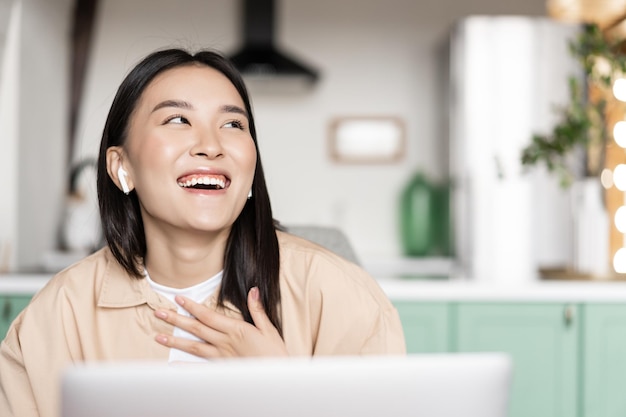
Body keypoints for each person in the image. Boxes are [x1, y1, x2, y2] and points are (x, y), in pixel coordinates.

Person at [0, 48, 406, 417]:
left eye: (233, 123)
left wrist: (284, 391)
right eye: (177, 119)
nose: (211, 145)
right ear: (121, 166)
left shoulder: (342, 298)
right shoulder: (57, 316)